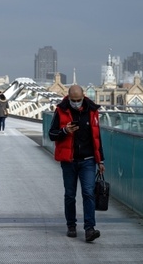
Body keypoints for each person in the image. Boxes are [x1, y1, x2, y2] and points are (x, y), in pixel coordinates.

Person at [48, 85, 106, 242]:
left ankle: (89, 229)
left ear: (83, 96)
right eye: (73, 100)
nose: (76, 103)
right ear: (68, 97)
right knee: (70, 195)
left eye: (78, 100)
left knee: (88, 193)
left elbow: (97, 136)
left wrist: (100, 160)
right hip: (69, 161)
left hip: (88, 160)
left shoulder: (92, 110)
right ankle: (71, 225)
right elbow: (52, 134)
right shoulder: (60, 110)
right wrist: (65, 131)